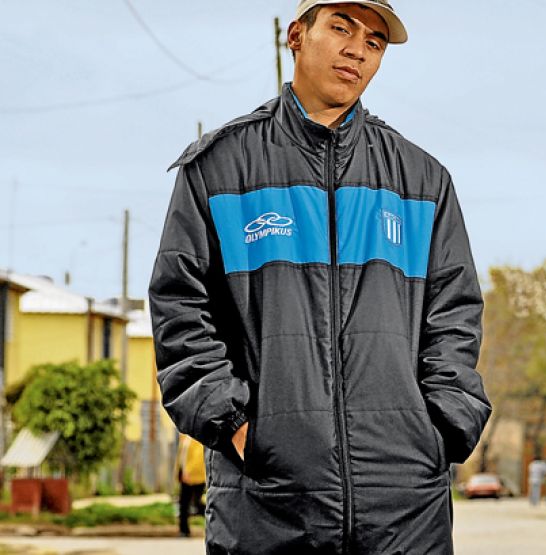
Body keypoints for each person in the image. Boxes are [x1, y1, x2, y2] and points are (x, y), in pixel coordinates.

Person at [148, 2, 491, 553]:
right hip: (267, 502)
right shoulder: (218, 168)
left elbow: (456, 315)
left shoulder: (423, 180)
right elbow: (179, 308)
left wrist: (442, 427)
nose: (358, 48)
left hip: (405, 507)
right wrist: (238, 425)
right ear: (297, 36)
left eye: (375, 42)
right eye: (341, 27)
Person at [176, 434, 206, 537]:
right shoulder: (185, 438)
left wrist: (188, 472)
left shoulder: (197, 439)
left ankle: (213, 521)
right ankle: (184, 531)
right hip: (184, 476)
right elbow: (182, 457)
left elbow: (198, 458)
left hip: (196, 477)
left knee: (197, 503)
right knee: (183, 504)